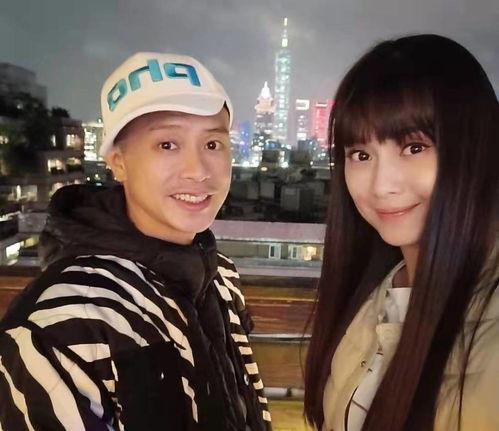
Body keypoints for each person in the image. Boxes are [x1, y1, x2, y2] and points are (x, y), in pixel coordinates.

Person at [0, 52, 272, 430]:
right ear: (118, 162)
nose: (198, 171)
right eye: (167, 144)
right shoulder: (61, 321)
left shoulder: (220, 276)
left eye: (213, 144)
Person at [304, 35, 499, 431]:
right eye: (361, 155)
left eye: (413, 148)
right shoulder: (370, 299)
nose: (381, 186)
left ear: (474, 148)